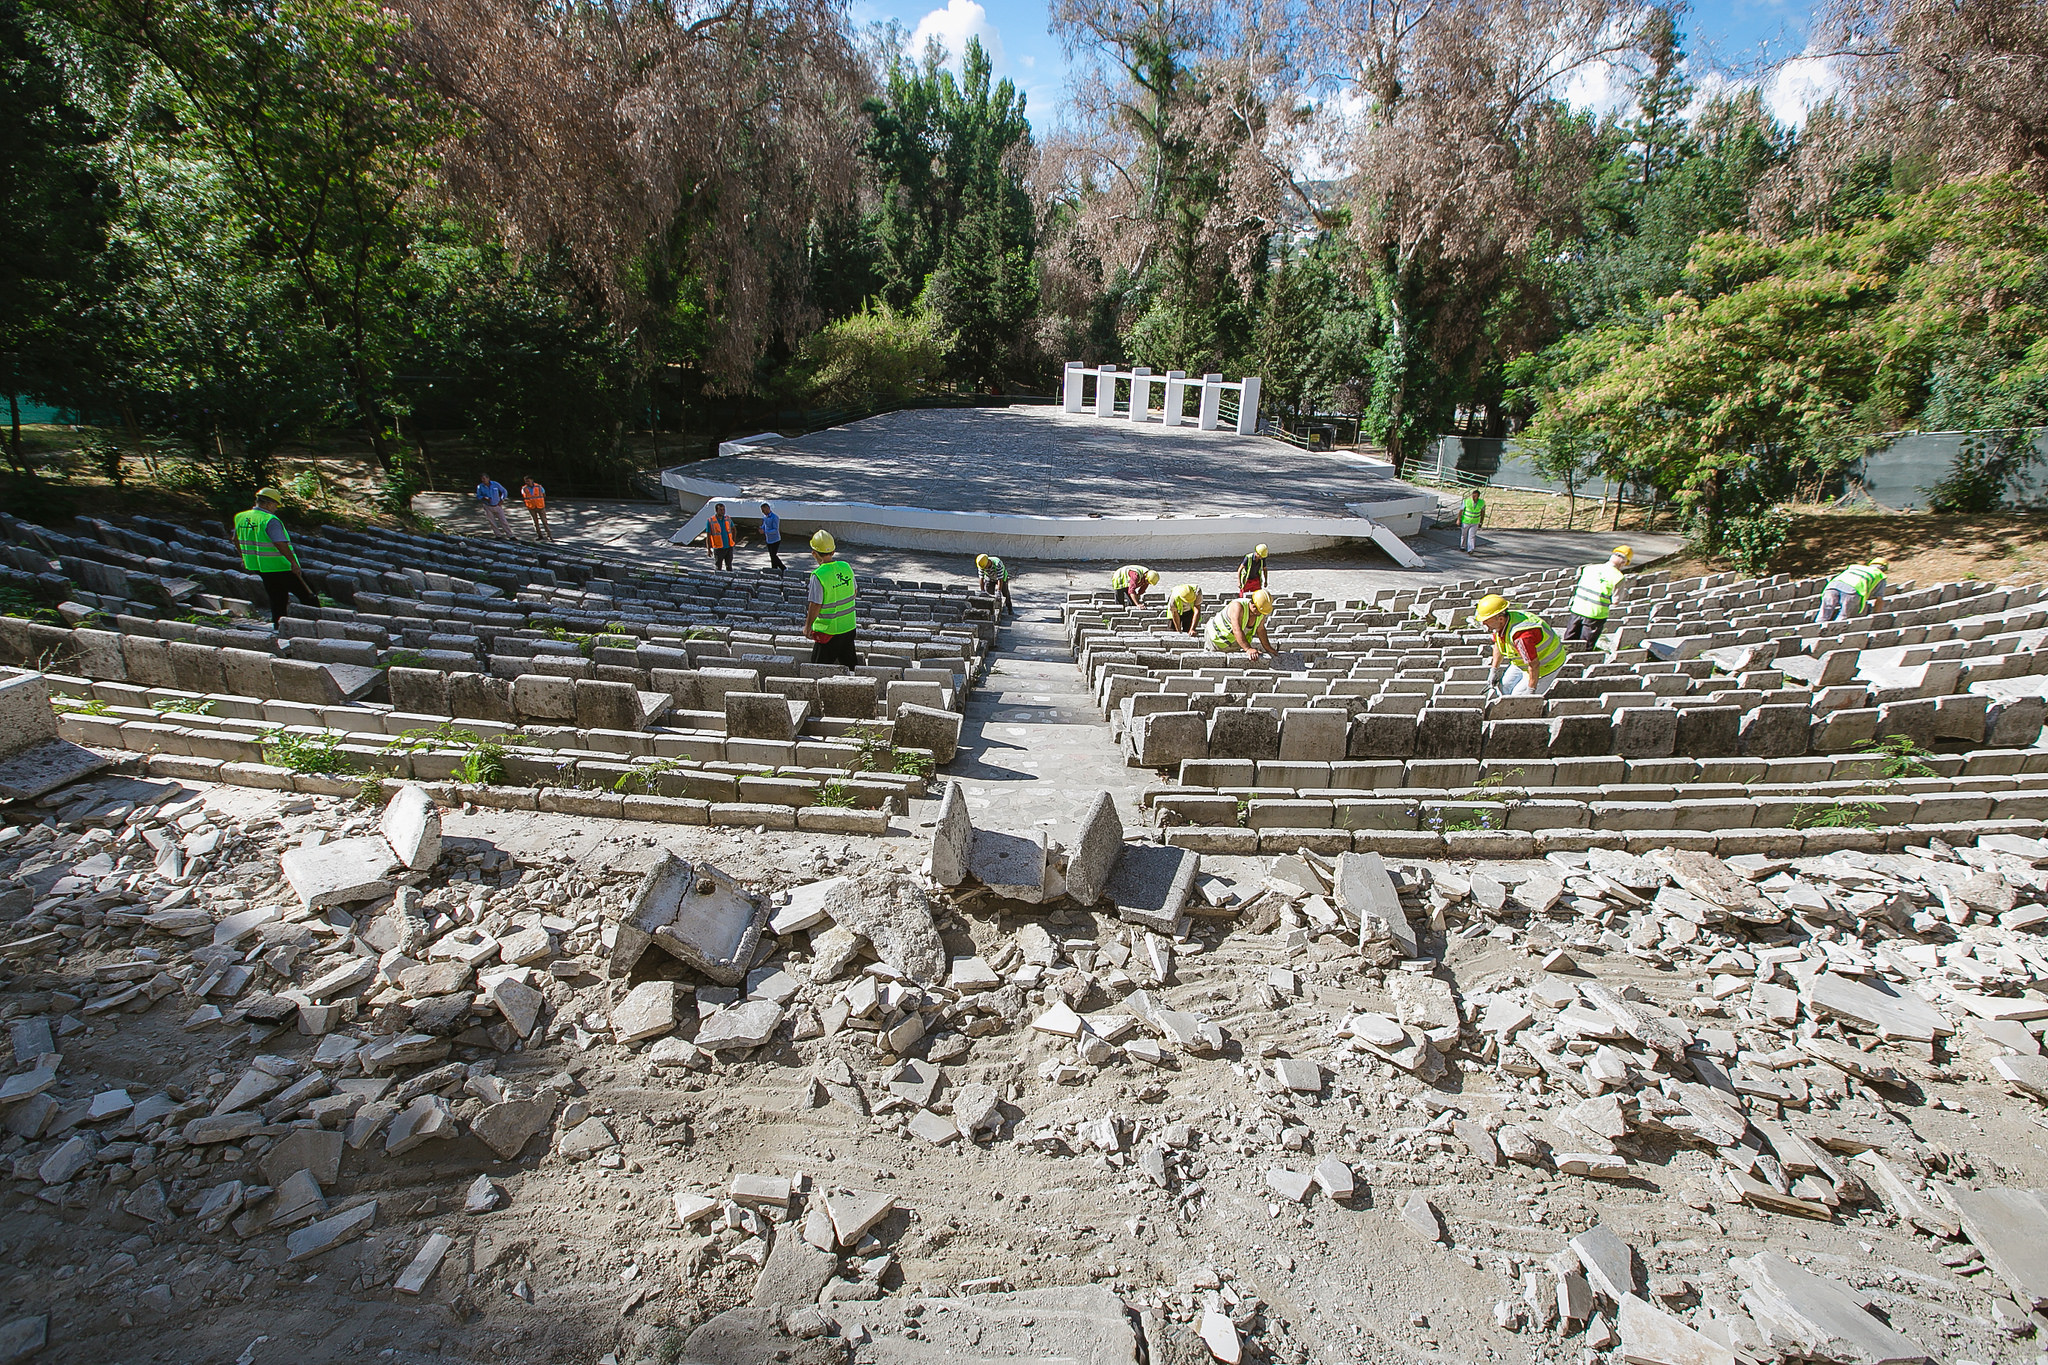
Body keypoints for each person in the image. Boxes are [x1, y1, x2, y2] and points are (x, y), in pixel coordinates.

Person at [234, 487, 320, 626]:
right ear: (268, 504)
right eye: (275, 505)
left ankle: (279, 626)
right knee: (308, 595)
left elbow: (235, 539)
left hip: (259, 566)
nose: (276, 508)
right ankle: (318, 624)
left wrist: (244, 558)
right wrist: (293, 562)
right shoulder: (270, 520)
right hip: (280, 565)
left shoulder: (241, 517)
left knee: (277, 598)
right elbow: (279, 543)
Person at [1475, 593, 1567, 698]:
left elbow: (1534, 665)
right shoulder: (1502, 623)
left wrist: (1531, 691)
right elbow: (1498, 644)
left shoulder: (1521, 636)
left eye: (1486, 620)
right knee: (1503, 687)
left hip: (1546, 665)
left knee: (1517, 697)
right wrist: (1494, 670)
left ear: (1500, 618)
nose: (1483, 623)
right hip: (1523, 660)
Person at [806, 530, 858, 667]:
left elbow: (815, 604)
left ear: (814, 553)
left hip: (828, 632)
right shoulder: (846, 567)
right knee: (850, 666)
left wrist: (807, 626)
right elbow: (854, 592)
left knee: (817, 669)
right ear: (833, 551)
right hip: (849, 627)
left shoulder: (818, 575)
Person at [1564, 545, 1632, 649]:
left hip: (1577, 608)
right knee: (1586, 645)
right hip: (1595, 614)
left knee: (1568, 641)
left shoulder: (1589, 568)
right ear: (1623, 563)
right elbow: (1616, 600)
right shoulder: (1618, 577)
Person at [1206, 588, 1277, 661]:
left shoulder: (1261, 612)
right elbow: (1236, 630)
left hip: (1234, 642)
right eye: (1258, 610)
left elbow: (1261, 629)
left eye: (1262, 612)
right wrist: (1248, 649)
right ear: (1252, 603)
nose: (1260, 614)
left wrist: (1268, 648)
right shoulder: (1238, 606)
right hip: (1216, 638)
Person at [1815, 558, 1889, 623]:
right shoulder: (1880, 575)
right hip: (1851, 590)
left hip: (1832, 586)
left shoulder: (1855, 567)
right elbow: (1879, 599)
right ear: (1884, 569)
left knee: (1824, 613)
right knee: (1843, 615)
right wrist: (1876, 616)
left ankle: (1817, 630)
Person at [474, 473, 512, 537]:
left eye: (484, 478)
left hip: (497, 505)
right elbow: (478, 495)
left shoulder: (495, 484)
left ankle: (510, 535)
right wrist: (484, 498)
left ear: (488, 478)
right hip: (487, 506)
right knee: (492, 522)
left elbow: (504, 491)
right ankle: (498, 535)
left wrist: (502, 500)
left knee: (503, 521)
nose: (483, 480)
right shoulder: (480, 486)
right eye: (482, 479)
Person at [704, 502, 735, 571]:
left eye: (723, 510)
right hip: (718, 548)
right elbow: (708, 536)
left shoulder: (727, 519)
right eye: (720, 510)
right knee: (718, 567)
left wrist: (733, 540)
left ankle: (729, 580)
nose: (723, 511)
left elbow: (734, 529)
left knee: (729, 566)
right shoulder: (711, 521)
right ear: (716, 511)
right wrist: (709, 549)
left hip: (728, 546)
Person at [759, 502, 784, 571]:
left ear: (768, 509)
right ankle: (774, 569)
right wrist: (761, 528)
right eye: (762, 511)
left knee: (773, 555)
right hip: (768, 539)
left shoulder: (774, 517)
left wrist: (765, 532)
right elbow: (765, 525)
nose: (763, 512)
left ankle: (783, 568)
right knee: (772, 556)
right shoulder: (764, 517)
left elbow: (775, 529)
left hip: (775, 539)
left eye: (763, 510)